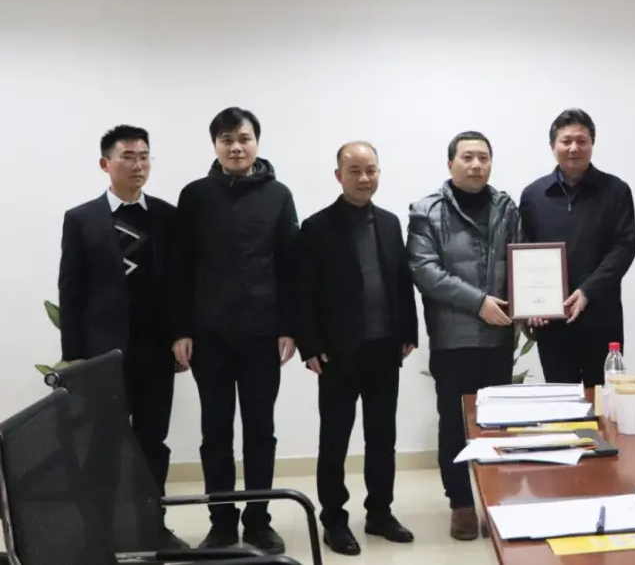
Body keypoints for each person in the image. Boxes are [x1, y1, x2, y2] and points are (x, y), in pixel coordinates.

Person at [171, 107, 298, 554]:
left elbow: (290, 264)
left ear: (257, 142)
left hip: (263, 335)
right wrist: (181, 329)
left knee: (261, 430)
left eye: (244, 138)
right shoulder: (195, 196)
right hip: (210, 337)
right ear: (216, 146)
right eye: (227, 140)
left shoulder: (278, 195)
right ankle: (222, 522)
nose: (237, 147)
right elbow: (180, 267)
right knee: (216, 433)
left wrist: (289, 327)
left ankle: (259, 520)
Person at [57, 125, 187, 549]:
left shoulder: (166, 216)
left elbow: (179, 284)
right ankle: (99, 532)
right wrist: (75, 356)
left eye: (144, 156)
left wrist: (181, 334)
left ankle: (152, 524)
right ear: (105, 164)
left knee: (153, 443)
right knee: (103, 445)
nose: (138, 165)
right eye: (128, 156)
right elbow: (71, 291)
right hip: (102, 356)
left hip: (155, 352)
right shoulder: (81, 219)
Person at [294, 141, 418, 555]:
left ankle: (380, 512)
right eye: (355, 171)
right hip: (337, 353)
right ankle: (333, 519)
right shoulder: (317, 227)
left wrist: (408, 331)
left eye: (371, 170)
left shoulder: (389, 222)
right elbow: (303, 293)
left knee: (382, 437)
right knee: (335, 439)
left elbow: (401, 281)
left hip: (384, 349)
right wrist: (310, 345)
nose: (365, 178)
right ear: (339, 176)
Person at [406, 131, 520, 541]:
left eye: (483, 157)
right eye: (468, 157)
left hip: (498, 338)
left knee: (496, 426)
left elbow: (523, 260)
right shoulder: (426, 211)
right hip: (453, 341)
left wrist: (530, 304)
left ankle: (494, 500)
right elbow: (425, 271)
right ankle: (461, 505)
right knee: (454, 426)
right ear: (450, 163)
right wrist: (479, 302)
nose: (476, 165)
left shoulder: (506, 207)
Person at [518, 109, 635, 387]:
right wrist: (532, 303)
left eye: (581, 141)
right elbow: (524, 251)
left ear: (592, 144)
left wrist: (587, 291)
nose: (574, 148)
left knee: (604, 400)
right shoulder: (534, 195)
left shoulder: (616, 190)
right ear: (553, 145)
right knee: (560, 401)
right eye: (566, 141)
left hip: (601, 316)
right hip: (552, 322)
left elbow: (624, 248)